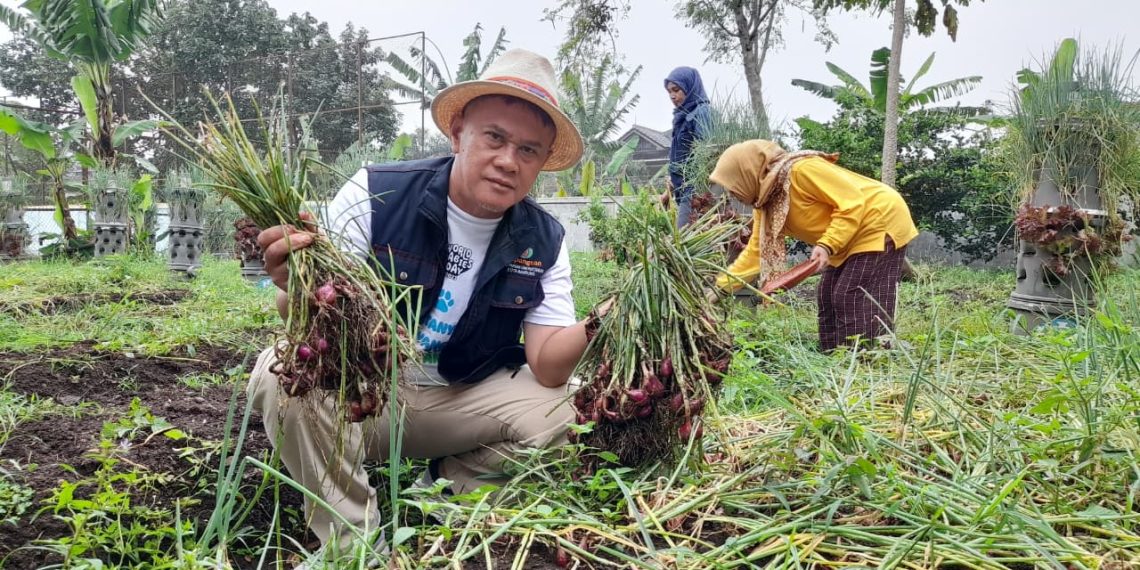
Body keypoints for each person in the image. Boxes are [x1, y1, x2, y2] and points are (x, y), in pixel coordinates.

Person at [247, 49, 594, 554]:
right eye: (494, 138)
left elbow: (548, 366)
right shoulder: (377, 193)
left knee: (576, 410)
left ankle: (448, 491)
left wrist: (604, 321)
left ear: (541, 163)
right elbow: (306, 321)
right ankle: (352, 545)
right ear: (458, 133)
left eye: (528, 150)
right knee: (280, 376)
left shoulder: (544, 239)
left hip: (458, 398)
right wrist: (297, 286)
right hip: (365, 397)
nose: (508, 161)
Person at [710, 140, 919, 352]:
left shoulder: (802, 171)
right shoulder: (765, 204)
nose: (731, 194)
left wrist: (828, 244)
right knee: (826, 295)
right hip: (848, 236)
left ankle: (863, 357)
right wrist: (719, 289)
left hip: (879, 219)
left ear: (747, 173)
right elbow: (756, 252)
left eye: (732, 185)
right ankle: (833, 354)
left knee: (849, 294)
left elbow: (852, 202)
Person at [662, 66, 712, 228]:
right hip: (684, 192)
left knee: (682, 237)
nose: (672, 96)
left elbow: (707, 155)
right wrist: (668, 191)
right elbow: (680, 160)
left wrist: (694, 193)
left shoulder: (702, 113)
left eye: (676, 90)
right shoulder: (682, 117)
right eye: (669, 91)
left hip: (695, 193)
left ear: (689, 87)